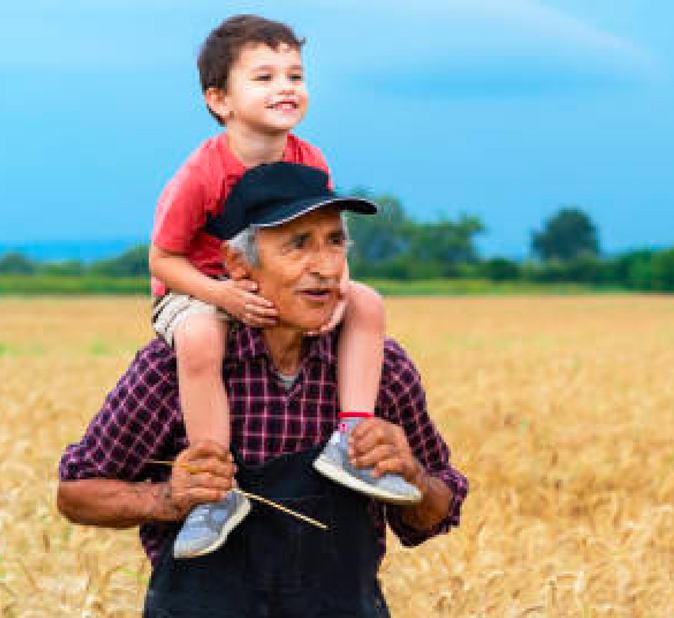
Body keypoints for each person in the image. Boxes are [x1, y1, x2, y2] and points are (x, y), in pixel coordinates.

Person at [57, 162, 468, 617]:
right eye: (299, 244)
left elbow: (437, 512)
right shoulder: (173, 368)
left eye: (335, 241)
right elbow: (76, 493)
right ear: (239, 264)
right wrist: (166, 499)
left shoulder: (380, 368)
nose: (325, 267)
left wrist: (413, 477)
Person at [147, 14, 417, 559]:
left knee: (367, 302)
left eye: (295, 75)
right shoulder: (201, 174)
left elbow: (327, 239)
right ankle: (213, 487)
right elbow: (163, 258)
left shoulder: (309, 158)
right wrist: (221, 296)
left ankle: (350, 435)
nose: (286, 87)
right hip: (199, 286)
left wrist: (337, 288)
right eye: (264, 77)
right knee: (200, 339)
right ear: (220, 100)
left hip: (278, 283)